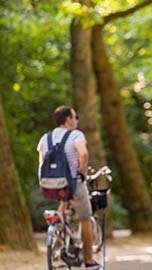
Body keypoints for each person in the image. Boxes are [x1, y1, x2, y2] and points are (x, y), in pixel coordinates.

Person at [37, 106, 101, 270]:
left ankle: (58, 232)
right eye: (75, 117)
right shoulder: (76, 135)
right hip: (72, 183)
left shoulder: (46, 138)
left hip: (50, 185)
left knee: (63, 205)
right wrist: (83, 172)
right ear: (68, 119)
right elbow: (84, 154)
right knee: (85, 217)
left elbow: (41, 162)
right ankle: (89, 260)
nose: (77, 120)